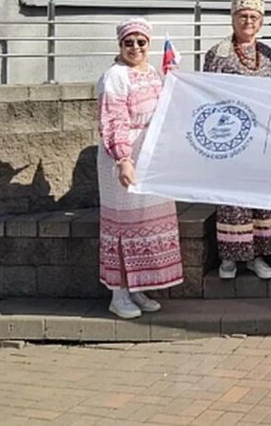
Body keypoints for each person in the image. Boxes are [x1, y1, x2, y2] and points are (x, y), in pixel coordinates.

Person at [96, 18, 182, 319]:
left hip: (151, 155)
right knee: (125, 224)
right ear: (120, 45)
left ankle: (137, 287)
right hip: (126, 153)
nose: (135, 47)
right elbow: (113, 119)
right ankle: (118, 293)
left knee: (145, 222)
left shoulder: (154, 74)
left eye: (141, 42)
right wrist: (123, 159)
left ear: (149, 44)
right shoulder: (114, 76)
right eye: (128, 42)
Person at [203, 0, 271, 281]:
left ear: (261, 22)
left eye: (254, 17)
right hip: (231, 135)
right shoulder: (218, 53)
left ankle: (257, 256)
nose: (248, 21)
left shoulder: (267, 53)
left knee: (259, 194)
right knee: (232, 198)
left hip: (261, 135)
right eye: (243, 16)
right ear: (233, 19)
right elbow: (207, 93)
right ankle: (230, 256)